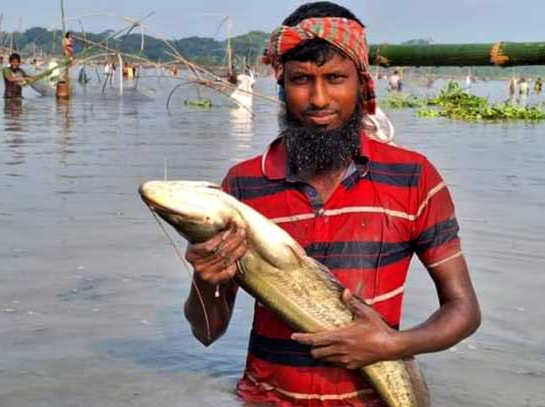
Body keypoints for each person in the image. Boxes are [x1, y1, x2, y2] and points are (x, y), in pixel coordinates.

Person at [183, 2, 481, 406]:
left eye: (335, 78)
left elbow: (463, 310)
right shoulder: (243, 185)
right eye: (302, 79)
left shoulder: (413, 177)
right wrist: (206, 277)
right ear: (281, 84)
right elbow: (207, 333)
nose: (319, 98)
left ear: (361, 83)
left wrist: (390, 345)